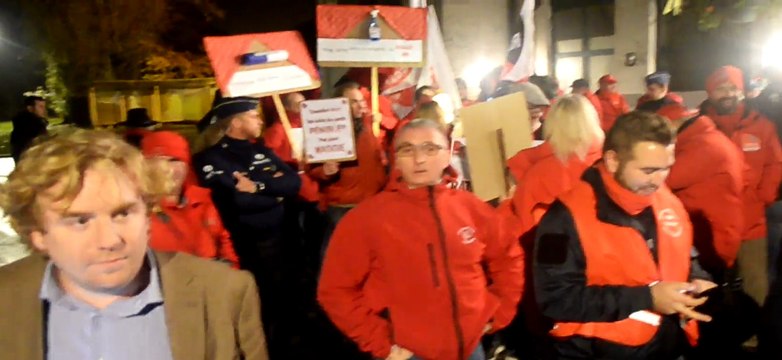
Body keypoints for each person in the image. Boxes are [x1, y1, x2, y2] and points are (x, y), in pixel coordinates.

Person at [0, 129, 267, 359]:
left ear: (148, 214)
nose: (110, 240)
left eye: (123, 213)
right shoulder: (8, 299)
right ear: (38, 234)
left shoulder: (223, 294)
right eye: (80, 221)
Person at [318, 119, 524, 360]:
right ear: (395, 159)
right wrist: (380, 341)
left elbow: (508, 257)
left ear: (447, 155)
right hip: (408, 352)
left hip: (470, 347)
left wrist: (498, 311)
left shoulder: (471, 208)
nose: (419, 159)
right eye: (407, 150)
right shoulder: (367, 218)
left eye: (429, 148)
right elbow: (334, 290)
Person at [534, 111, 716, 359]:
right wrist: (647, 298)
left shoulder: (666, 200)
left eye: (666, 168)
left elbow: (685, 254)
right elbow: (555, 298)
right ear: (613, 161)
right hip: (597, 351)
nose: (659, 179)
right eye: (648, 170)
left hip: (668, 345)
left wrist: (696, 280)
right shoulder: (563, 219)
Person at [193, 96, 301, 358]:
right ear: (236, 121)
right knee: (247, 302)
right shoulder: (210, 157)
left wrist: (259, 186)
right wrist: (272, 191)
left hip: (276, 240)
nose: (260, 120)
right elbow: (236, 198)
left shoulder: (262, 151)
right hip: (243, 242)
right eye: (254, 115)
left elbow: (293, 184)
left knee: (277, 301)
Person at [700, 65, 782, 307]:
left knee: (755, 279)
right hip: (711, 221)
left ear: (742, 91)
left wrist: (764, 195)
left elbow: (775, 162)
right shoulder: (698, 126)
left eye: (733, 88)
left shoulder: (762, 125)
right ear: (710, 93)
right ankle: (712, 327)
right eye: (720, 89)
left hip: (751, 219)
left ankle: (755, 332)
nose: (727, 93)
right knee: (710, 279)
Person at [658, 104, 744, 275]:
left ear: (673, 124)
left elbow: (662, 181)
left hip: (711, 235)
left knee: (708, 289)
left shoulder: (703, 146)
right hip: (714, 229)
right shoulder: (704, 138)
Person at [309, 81, 388, 258]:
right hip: (343, 204)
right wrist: (324, 170)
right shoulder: (327, 130)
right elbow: (312, 167)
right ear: (339, 104)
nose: (360, 105)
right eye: (353, 101)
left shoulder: (368, 126)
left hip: (370, 199)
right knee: (340, 253)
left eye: (361, 100)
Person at [141, 131, 240, 269]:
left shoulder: (202, 199)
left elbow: (223, 242)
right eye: (159, 160)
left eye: (175, 160)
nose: (168, 169)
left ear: (187, 165)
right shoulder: (139, 209)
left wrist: (230, 275)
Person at [10, 94, 48, 162]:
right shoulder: (34, 126)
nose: (44, 110)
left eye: (44, 107)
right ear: (30, 108)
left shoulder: (20, 124)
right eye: (40, 107)